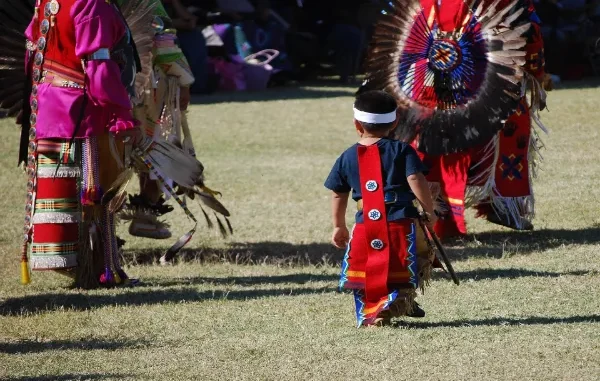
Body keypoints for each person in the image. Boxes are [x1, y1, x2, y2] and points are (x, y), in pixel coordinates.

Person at [18, 0, 143, 288]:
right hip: (83, 110)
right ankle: (101, 271)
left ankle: (87, 267)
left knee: (74, 192)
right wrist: (122, 114)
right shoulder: (91, 4)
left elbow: (32, 55)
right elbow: (98, 65)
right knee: (95, 192)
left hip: (49, 106)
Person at [324, 90, 437, 327]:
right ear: (395, 122)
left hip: (366, 224)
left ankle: (379, 310)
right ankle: (399, 302)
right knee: (414, 258)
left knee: (369, 267)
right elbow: (416, 179)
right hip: (400, 220)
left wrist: (338, 225)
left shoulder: (347, 156)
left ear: (356, 123)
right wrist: (429, 210)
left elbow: (338, 193)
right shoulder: (402, 150)